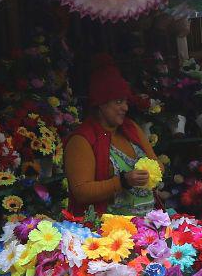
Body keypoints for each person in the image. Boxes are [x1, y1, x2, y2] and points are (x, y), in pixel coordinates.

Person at [63, 56, 159, 217]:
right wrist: (123, 181)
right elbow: (81, 192)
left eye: (126, 102)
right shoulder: (82, 140)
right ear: (100, 103)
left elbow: (157, 166)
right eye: (119, 102)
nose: (125, 108)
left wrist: (151, 173)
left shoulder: (131, 128)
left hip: (149, 224)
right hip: (109, 233)